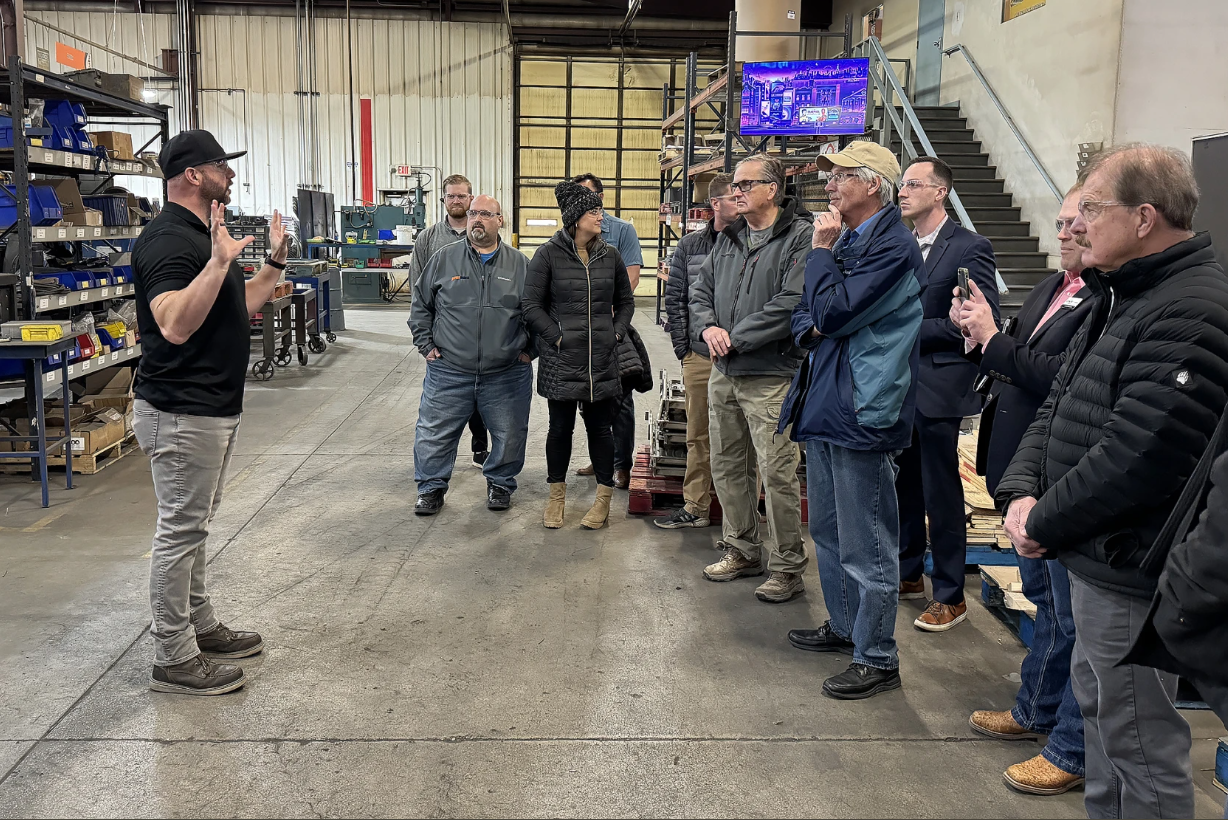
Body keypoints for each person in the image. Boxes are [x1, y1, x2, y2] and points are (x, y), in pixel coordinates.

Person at [996, 144, 1228, 819]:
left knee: (1136, 741)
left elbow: (1141, 453)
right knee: (1102, 730)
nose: (1076, 224)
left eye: (1091, 209)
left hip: (1128, 565)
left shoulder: (1189, 309)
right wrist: (1020, 493)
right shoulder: (1117, 295)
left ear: (1146, 216)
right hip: (1090, 552)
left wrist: (1043, 522)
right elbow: (1060, 407)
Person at [131, 130, 289, 695]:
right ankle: (173, 656)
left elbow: (244, 304)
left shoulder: (203, 235)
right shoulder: (169, 240)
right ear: (193, 175)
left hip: (211, 409)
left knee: (194, 527)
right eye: (222, 165)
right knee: (180, 531)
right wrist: (217, 262)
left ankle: (198, 625)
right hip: (182, 411)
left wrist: (272, 259)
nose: (231, 174)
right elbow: (173, 323)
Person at [959, 187, 1094, 796]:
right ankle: (1036, 708)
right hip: (1024, 474)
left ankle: (1069, 745)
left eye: (1077, 221)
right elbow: (1018, 355)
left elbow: (1056, 379)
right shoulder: (1053, 285)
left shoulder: (1105, 303)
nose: (1063, 231)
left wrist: (994, 340)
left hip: (1060, 482)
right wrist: (984, 337)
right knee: (1048, 605)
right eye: (1061, 221)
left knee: (1072, 619)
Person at [778, 141, 925, 699]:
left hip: (864, 408)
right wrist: (815, 319)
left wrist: (819, 255)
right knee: (830, 529)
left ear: (872, 184)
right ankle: (844, 627)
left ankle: (878, 656)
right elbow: (805, 313)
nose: (829, 185)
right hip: (826, 401)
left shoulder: (891, 247)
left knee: (867, 542)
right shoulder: (850, 241)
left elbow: (835, 312)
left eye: (840, 176)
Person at [689, 154, 811, 603]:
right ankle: (741, 548)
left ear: (773, 189)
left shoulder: (800, 238)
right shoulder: (730, 237)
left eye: (744, 184)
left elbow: (793, 301)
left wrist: (735, 337)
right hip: (725, 371)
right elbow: (700, 291)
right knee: (727, 464)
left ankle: (787, 566)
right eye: (734, 185)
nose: (734, 192)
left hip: (771, 374)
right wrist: (708, 328)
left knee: (777, 471)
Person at [894, 155, 999, 632]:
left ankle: (951, 594)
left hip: (939, 381)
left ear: (940, 193)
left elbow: (977, 320)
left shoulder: (969, 247)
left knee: (940, 488)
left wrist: (906, 330)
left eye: (913, 184)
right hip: (899, 380)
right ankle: (909, 571)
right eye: (902, 184)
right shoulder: (901, 243)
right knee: (904, 484)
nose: (902, 191)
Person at [408, 195, 532, 516]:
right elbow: (420, 304)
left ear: (499, 220)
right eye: (474, 213)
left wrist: (531, 349)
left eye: (486, 214)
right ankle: (431, 488)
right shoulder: (443, 259)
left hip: (506, 372)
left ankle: (501, 483)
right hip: (450, 369)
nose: (477, 219)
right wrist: (426, 345)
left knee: (509, 432)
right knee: (434, 432)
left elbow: (540, 311)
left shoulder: (520, 264)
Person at [523, 181, 635, 530]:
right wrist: (556, 337)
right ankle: (557, 498)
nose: (600, 216)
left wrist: (615, 332)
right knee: (560, 429)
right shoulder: (548, 255)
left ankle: (602, 500)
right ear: (575, 218)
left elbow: (627, 301)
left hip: (601, 360)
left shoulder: (610, 255)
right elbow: (530, 305)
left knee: (601, 430)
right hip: (562, 361)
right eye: (593, 211)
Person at [656, 173, 737, 530]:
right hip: (701, 356)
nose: (744, 200)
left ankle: (740, 514)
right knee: (698, 433)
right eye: (736, 196)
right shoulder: (690, 245)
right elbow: (675, 297)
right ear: (716, 204)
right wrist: (684, 348)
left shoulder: (757, 243)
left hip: (745, 357)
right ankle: (696, 505)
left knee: (744, 438)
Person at [409, 173, 490, 468]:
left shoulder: (483, 232)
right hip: (444, 341)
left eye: (462, 196)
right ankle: (440, 459)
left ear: (471, 199)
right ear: (443, 200)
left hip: (481, 339)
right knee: (445, 402)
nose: (456, 200)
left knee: (481, 398)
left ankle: (480, 445)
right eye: (451, 196)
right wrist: (425, 342)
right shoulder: (429, 239)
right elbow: (419, 291)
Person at [571, 173, 644, 490]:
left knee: (619, 400)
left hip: (611, 329)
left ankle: (621, 465)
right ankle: (601, 457)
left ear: (601, 197)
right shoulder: (567, 234)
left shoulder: (622, 231)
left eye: (589, 195)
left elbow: (631, 278)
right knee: (587, 400)